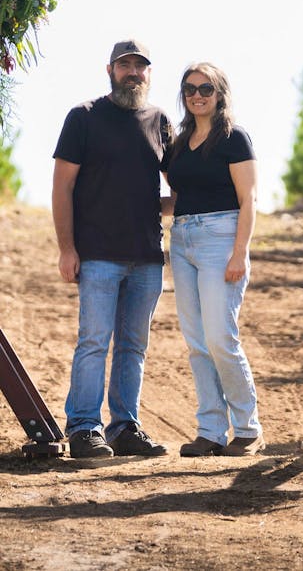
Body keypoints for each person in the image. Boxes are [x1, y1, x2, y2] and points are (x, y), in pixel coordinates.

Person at [52, 38, 175, 459]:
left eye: (140, 66)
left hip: (147, 257)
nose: (133, 73)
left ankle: (124, 427)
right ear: (110, 71)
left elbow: (180, 187)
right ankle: (84, 427)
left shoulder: (160, 121)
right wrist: (67, 249)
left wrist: (157, 204)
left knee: (133, 346)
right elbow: (62, 187)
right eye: (125, 65)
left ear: (148, 73)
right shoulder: (83, 117)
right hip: (98, 254)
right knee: (93, 341)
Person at [167, 61, 264, 457]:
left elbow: (249, 200)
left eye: (205, 88)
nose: (197, 95)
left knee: (220, 337)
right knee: (196, 342)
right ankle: (210, 431)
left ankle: (248, 429)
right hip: (182, 240)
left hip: (221, 240)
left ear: (219, 94)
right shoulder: (179, 143)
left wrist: (239, 253)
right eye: (190, 89)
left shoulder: (233, 138)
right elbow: (180, 198)